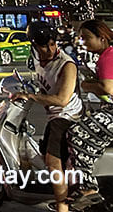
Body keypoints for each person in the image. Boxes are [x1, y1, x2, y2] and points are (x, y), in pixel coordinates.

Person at [57, 19, 113, 212]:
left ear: (102, 38)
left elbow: (108, 87)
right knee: (92, 134)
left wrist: (87, 85)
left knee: (76, 133)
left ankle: (88, 187)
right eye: (81, 38)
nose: (83, 42)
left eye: (87, 37)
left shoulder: (108, 56)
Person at [10, 21, 80, 210]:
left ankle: (62, 206)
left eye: (52, 44)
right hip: (54, 116)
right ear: (34, 45)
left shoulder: (66, 64)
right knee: (44, 154)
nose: (50, 50)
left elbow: (62, 100)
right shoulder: (35, 59)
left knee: (52, 162)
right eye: (44, 46)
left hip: (67, 115)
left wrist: (31, 96)